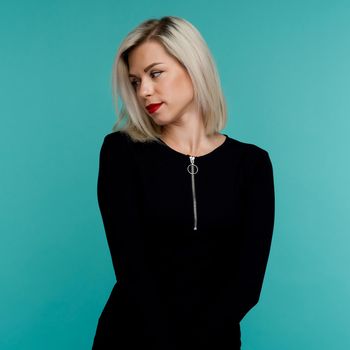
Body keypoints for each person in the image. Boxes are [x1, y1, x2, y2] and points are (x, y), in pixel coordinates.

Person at [91, 16, 275, 350]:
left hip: (215, 341)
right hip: (133, 338)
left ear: (193, 68)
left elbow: (247, 282)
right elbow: (132, 271)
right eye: (135, 81)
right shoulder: (121, 153)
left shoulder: (252, 164)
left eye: (155, 73)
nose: (144, 90)